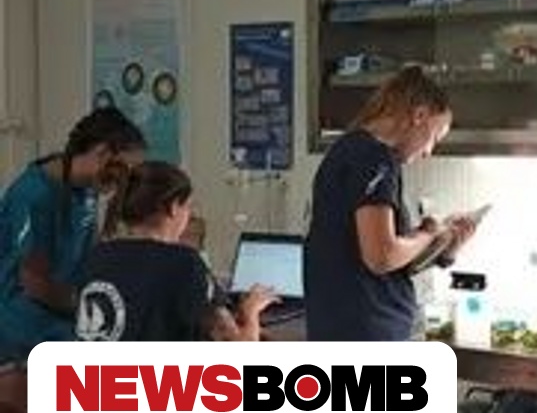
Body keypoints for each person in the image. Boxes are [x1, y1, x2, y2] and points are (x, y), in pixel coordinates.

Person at [305, 65, 478, 342]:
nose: (429, 152)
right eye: (434, 137)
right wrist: (428, 233)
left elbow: (385, 261)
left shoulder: (349, 150)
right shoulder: (375, 159)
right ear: (419, 116)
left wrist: (445, 248)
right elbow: (381, 257)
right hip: (365, 337)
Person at [0, 107, 146, 365]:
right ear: (101, 153)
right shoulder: (34, 196)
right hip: (26, 325)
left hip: (63, 316)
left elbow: (90, 255)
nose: (123, 184)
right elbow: (33, 282)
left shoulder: (85, 190)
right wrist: (86, 307)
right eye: (124, 172)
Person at [75, 161, 277, 342]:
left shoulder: (96, 256)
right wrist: (251, 311)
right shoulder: (184, 263)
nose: (189, 216)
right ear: (173, 207)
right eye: (188, 206)